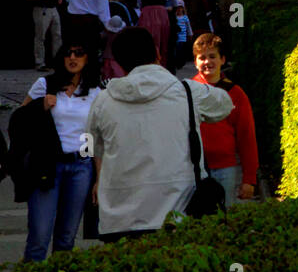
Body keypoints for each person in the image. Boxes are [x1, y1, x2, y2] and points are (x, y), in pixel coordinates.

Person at [87, 26, 232, 239]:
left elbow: (89, 145)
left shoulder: (102, 100)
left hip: (118, 219)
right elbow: (224, 105)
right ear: (157, 52)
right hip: (179, 214)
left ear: (119, 62)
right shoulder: (188, 92)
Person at [19, 42, 101, 262]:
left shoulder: (95, 90)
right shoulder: (45, 84)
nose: (72, 58)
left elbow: (97, 136)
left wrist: (99, 178)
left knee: (66, 238)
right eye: (68, 54)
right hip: (48, 164)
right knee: (39, 236)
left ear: (87, 58)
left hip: (81, 165)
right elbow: (19, 120)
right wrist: (40, 107)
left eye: (79, 53)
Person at [192, 33, 258, 206]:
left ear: (222, 59)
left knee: (223, 218)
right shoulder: (186, 91)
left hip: (225, 168)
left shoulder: (236, 94)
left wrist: (249, 179)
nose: (207, 62)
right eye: (202, 58)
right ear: (195, 62)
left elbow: (246, 137)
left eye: (212, 56)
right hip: (193, 169)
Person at [136, 0, 178, 74]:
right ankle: (161, 69)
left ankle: (145, 68)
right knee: (163, 43)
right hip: (161, 12)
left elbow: (139, 0)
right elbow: (174, 0)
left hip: (147, 12)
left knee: (146, 43)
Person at [25, 0, 61, 72]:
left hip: (53, 7)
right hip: (42, 9)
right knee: (40, 36)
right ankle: (40, 62)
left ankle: (57, 60)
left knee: (57, 35)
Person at [174, 3, 193, 69]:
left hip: (183, 37)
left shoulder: (185, 17)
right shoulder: (174, 17)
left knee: (181, 50)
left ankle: (181, 62)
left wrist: (190, 34)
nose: (179, 9)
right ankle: (177, 62)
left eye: (180, 8)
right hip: (176, 36)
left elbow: (188, 27)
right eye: (178, 8)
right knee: (177, 49)